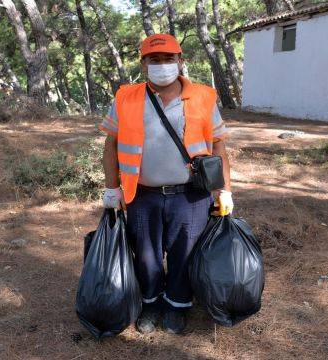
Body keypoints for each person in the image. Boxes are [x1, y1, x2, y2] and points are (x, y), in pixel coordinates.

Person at [98, 34, 233, 335]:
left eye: (168, 58)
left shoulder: (203, 96)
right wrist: (111, 188)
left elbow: (219, 146)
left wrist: (224, 189)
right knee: (146, 255)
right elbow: (111, 145)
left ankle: (177, 306)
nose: (162, 65)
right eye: (154, 59)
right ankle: (151, 303)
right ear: (143, 63)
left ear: (180, 60)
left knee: (185, 253)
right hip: (142, 194)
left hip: (191, 195)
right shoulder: (125, 97)